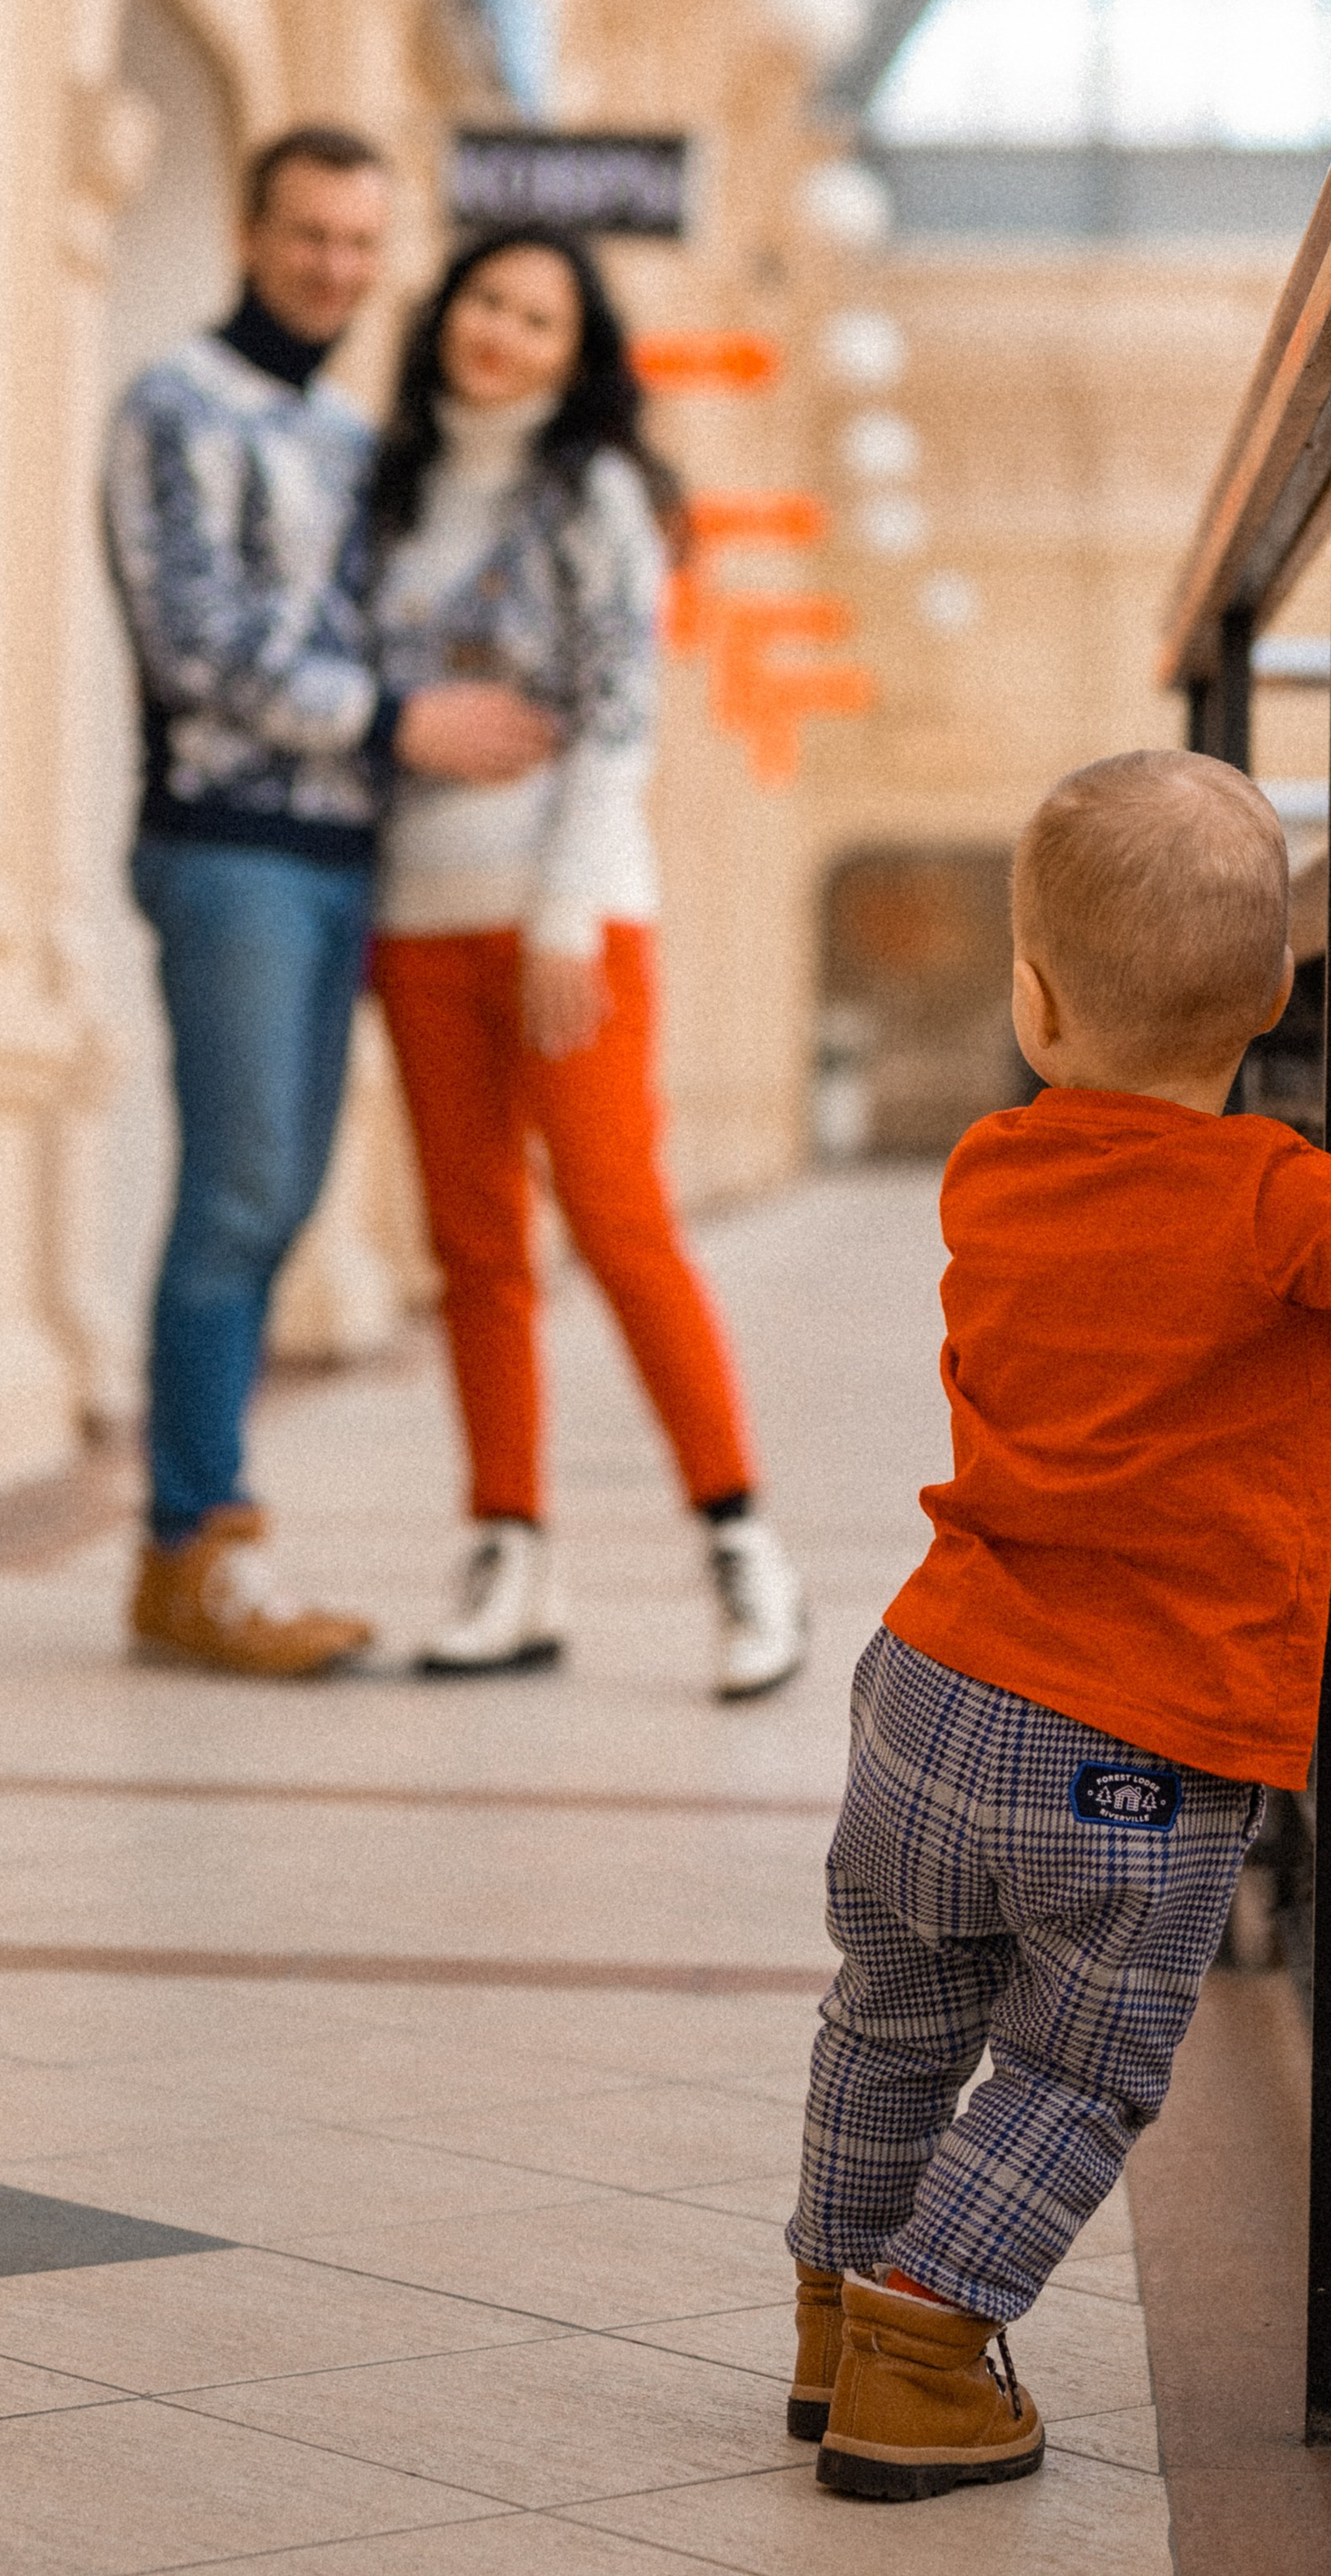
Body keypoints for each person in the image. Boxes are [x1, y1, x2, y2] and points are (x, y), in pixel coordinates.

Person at [782, 747, 1331, 2499]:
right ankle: (922, 2346)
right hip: (1137, 1739)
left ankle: (829, 2306)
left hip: (930, 1689)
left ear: (1032, 999)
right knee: (1071, 2063)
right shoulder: (1270, 1198)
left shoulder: (986, 1169)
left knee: (888, 2010)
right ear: (1273, 994)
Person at [103, 127, 556, 1676]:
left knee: (280, 1195)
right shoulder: (173, 405)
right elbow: (195, 642)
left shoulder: (356, 440)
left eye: (363, 245)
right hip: (228, 846)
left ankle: (193, 1539)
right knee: (239, 1193)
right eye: (310, 238)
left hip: (344, 862)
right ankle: (195, 1545)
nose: (337, 271)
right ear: (249, 228)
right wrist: (394, 725)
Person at [363, 224, 807, 1700]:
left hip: (572, 918)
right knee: (475, 1250)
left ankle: (744, 1547)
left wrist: (560, 906)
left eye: (540, 320)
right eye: (487, 300)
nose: (501, 332)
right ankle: (507, 1552)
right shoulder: (394, 486)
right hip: (417, 916)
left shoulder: (597, 491)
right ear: (448, 312)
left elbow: (621, 707)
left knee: (620, 1224)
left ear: (578, 355)